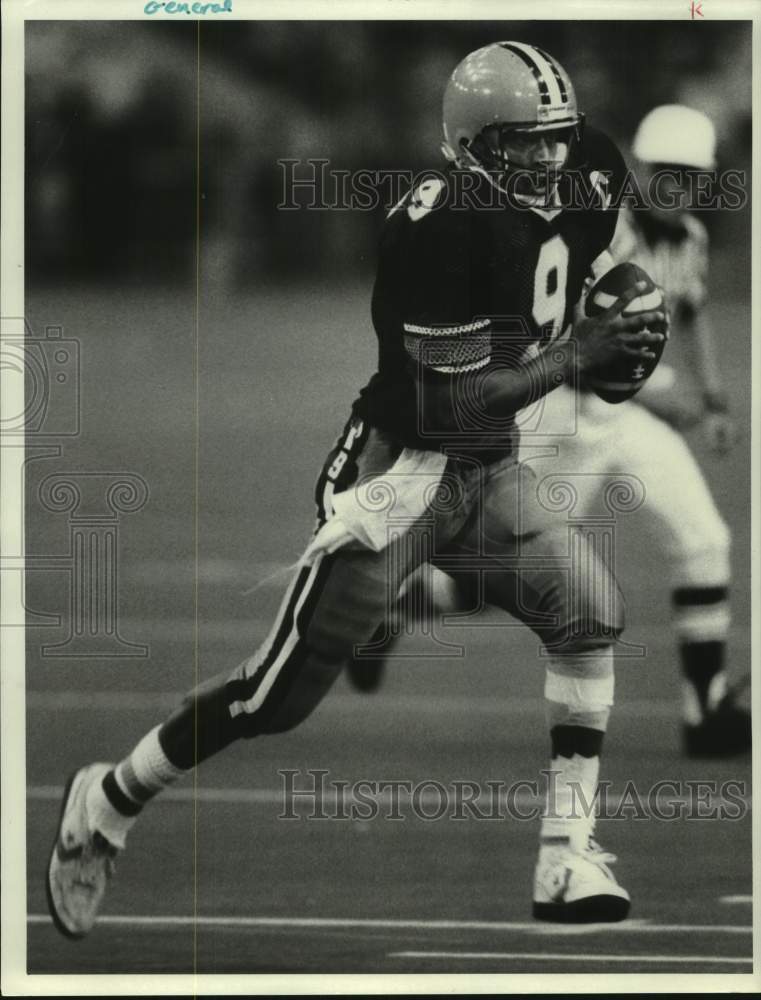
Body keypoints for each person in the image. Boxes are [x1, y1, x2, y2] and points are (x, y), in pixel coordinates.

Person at [47, 41, 665, 938]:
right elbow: (449, 400)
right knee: (272, 699)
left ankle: (565, 857)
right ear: (467, 146)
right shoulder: (437, 225)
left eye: (554, 140)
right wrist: (580, 357)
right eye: (519, 145)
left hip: (488, 464)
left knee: (588, 617)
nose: (544, 160)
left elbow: (604, 259)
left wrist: (621, 318)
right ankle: (105, 801)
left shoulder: (590, 169)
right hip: (402, 472)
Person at [348, 104, 751, 761]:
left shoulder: (690, 238)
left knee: (704, 539)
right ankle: (386, 611)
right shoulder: (602, 229)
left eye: (690, 177)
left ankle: (701, 713)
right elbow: (575, 343)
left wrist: (710, 398)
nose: (677, 187)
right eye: (666, 173)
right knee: (490, 578)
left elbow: (691, 311)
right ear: (640, 169)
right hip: (562, 416)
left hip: (628, 420)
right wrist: (660, 392)